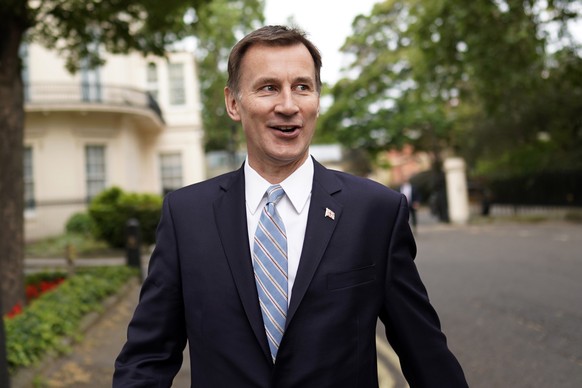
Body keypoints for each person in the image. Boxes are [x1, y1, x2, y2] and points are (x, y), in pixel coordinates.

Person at [113, 25, 468, 387]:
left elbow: (425, 354)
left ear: (317, 99)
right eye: (268, 88)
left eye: (302, 87)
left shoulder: (376, 212)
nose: (288, 105)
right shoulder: (186, 216)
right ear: (233, 103)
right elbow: (147, 357)